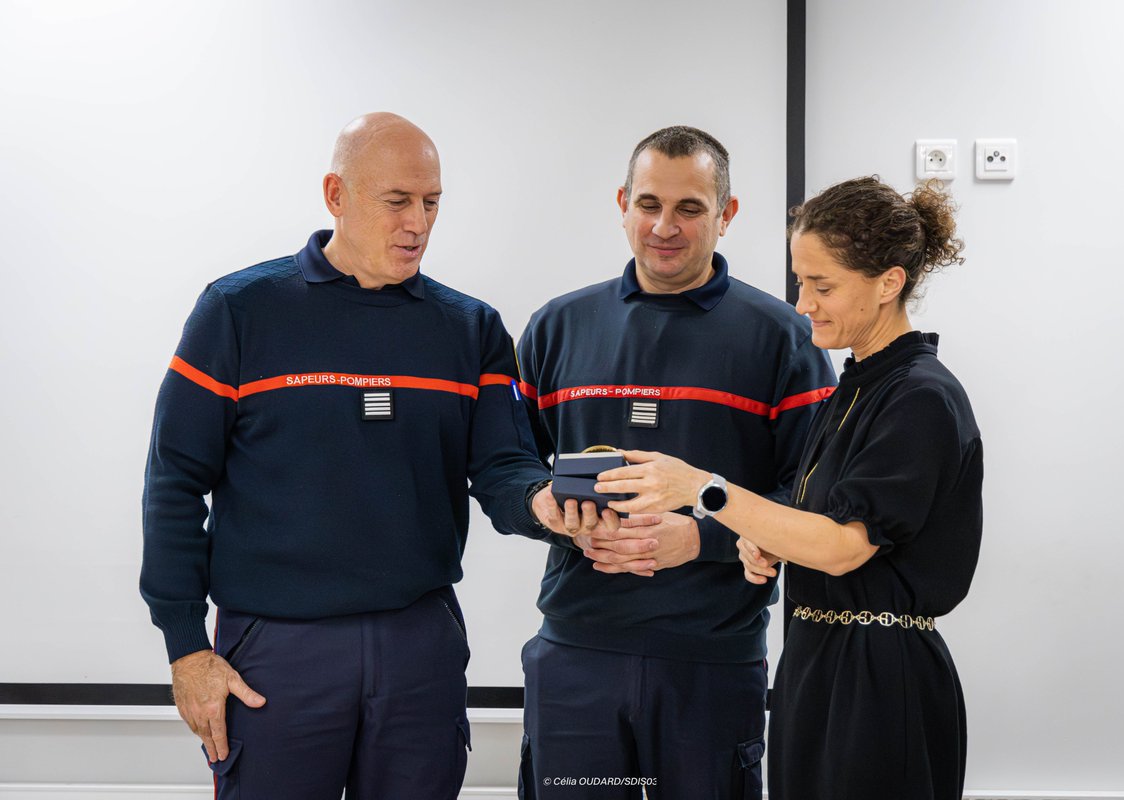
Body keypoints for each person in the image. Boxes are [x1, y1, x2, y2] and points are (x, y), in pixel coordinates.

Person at [139, 112, 612, 800]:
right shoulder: (238, 312)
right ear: (337, 194)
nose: (417, 222)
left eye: (431, 202)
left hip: (418, 644)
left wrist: (545, 503)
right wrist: (185, 645)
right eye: (397, 201)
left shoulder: (470, 328)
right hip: (277, 648)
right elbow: (174, 482)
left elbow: (504, 466)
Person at [594, 176, 982, 800]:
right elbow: (814, 528)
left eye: (823, 286)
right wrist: (767, 539)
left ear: (889, 283)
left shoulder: (920, 397)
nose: (804, 304)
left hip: (880, 679)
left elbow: (842, 547)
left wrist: (704, 489)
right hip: (814, 660)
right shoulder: (854, 389)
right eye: (802, 282)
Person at [515, 126, 837, 798]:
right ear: (623, 202)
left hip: (711, 662)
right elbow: (507, 466)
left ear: (727, 214)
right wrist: (553, 511)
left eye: (690, 208)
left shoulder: (783, 338)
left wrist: (699, 538)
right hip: (577, 655)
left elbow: (812, 499)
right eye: (649, 203)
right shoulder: (557, 327)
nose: (665, 226)